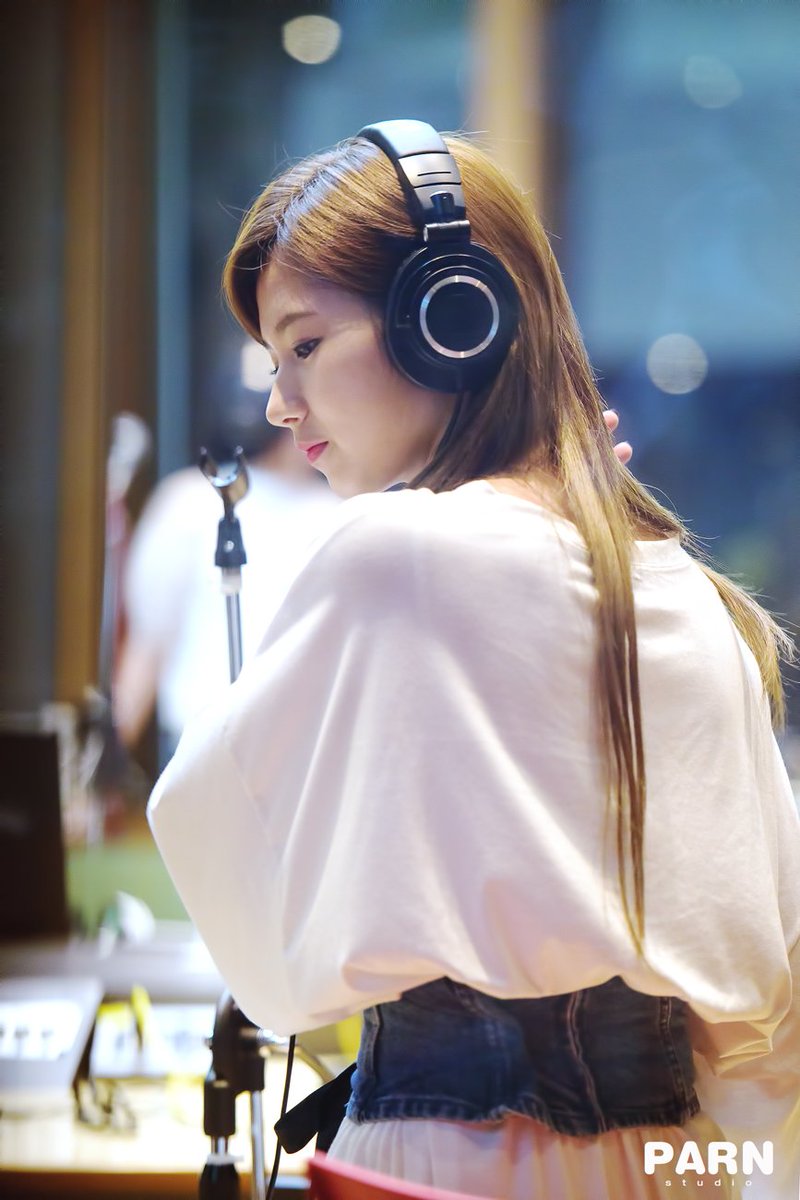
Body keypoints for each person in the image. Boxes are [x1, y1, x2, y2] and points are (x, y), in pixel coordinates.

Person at [147, 121, 799, 1199]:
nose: (278, 402)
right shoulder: (683, 586)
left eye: (304, 346)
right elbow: (762, 1036)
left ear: (451, 319)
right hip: (672, 1166)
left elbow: (213, 841)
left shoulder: (389, 555)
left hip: (447, 1158)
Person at [114, 399, 338, 765]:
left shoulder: (338, 509)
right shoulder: (189, 500)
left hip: (303, 750)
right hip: (201, 743)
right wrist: (112, 753)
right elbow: (149, 640)